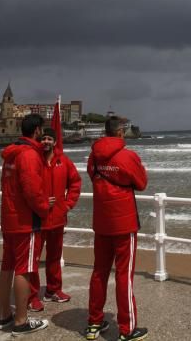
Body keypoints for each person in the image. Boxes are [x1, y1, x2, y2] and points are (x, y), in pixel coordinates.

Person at [86, 116, 148, 341]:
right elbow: (141, 183)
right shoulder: (128, 156)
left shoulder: (93, 157)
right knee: (124, 275)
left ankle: (94, 322)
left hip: (102, 222)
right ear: (121, 132)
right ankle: (127, 329)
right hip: (123, 222)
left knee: (99, 272)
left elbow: (93, 176)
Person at [0, 114, 51, 335]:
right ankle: (21, 321)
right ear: (37, 130)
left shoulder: (11, 154)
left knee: (7, 266)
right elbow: (31, 189)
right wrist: (44, 209)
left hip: (10, 218)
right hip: (25, 221)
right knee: (25, 268)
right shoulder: (29, 154)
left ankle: (3, 315)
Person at [28, 127, 82, 311]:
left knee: (54, 257)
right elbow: (28, 188)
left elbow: (75, 182)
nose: (46, 142)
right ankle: (31, 296)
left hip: (58, 218)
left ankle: (53, 290)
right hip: (37, 219)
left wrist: (68, 204)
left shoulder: (64, 162)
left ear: (55, 142)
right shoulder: (33, 161)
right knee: (33, 260)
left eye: (49, 139)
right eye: (43, 139)